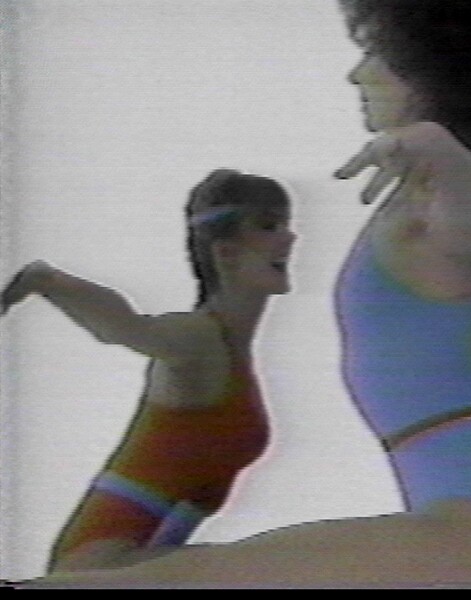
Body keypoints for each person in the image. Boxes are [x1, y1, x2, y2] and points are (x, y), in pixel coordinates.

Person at [19, 0, 471, 587]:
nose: (356, 73)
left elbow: (467, 222)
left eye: (376, 55)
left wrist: (441, 150)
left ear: (429, 74)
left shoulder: (432, 220)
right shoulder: (433, 224)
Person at [2, 169, 296, 573]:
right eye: (268, 226)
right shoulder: (198, 339)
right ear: (226, 252)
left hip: (140, 561)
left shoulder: (231, 352)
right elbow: (127, 328)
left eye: (285, 225)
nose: (289, 238)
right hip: (99, 563)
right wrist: (46, 281)